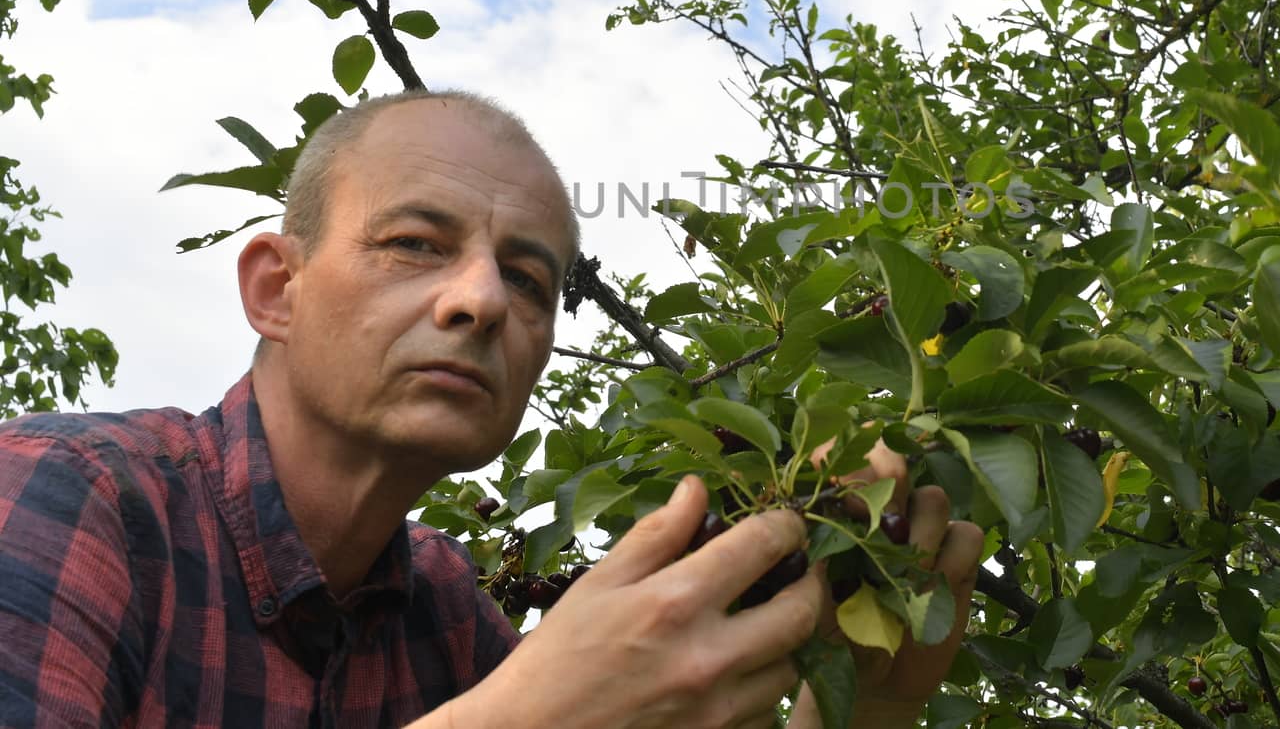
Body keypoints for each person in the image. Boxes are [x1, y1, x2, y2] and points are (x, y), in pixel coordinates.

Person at [0, 89, 983, 728]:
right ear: (276, 288)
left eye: (528, 277)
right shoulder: (66, 496)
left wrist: (860, 709)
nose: (481, 300)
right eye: (415, 243)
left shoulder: (447, 615)